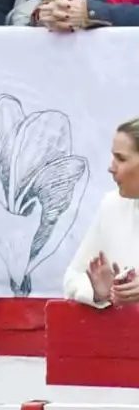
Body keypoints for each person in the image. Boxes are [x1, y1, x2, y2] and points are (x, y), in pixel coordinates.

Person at [62, 118, 139, 306]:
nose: (111, 168)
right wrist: (98, 293)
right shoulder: (111, 207)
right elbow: (72, 278)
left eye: (121, 159)